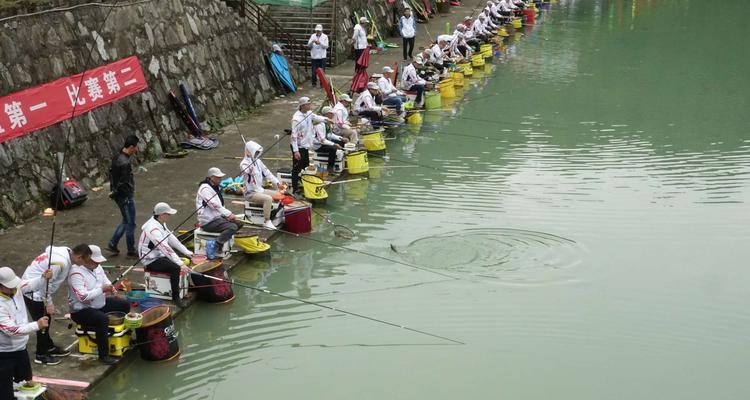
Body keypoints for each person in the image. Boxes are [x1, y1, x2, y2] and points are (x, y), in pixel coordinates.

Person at [21, 245, 92, 365]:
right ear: (79, 257)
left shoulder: (66, 251)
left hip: (36, 287)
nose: (84, 264)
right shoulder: (59, 263)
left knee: (47, 320)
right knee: (43, 323)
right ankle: (41, 354)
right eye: (85, 261)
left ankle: (49, 347)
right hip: (34, 291)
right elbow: (46, 285)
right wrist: (49, 303)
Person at [68, 245, 129, 365]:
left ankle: (121, 337)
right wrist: (102, 289)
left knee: (124, 305)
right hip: (81, 310)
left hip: (100, 304)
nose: (97, 264)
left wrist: (112, 289)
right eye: (95, 261)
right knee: (102, 319)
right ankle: (103, 354)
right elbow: (83, 297)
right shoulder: (75, 273)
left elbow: (105, 280)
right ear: (87, 259)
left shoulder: (97, 267)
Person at [0, 266, 51, 398]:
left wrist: (43, 277)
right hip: (4, 354)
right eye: (9, 286)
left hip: (21, 349)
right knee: (6, 394)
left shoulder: (15, 288)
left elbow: (30, 284)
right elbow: (12, 331)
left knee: (27, 385)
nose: (14, 288)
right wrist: (37, 325)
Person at [138, 203, 193, 308]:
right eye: (168, 214)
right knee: (175, 268)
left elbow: (172, 239)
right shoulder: (153, 228)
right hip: (150, 259)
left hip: (159, 254)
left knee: (180, 261)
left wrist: (188, 252)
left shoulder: (160, 222)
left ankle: (185, 286)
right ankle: (176, 298)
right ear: (162, 214)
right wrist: (180, 264)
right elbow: (165, 247)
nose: (170, 216)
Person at [196, 167, 241, 260]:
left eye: (220, 177)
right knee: (232, 227)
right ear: (211, 177)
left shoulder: (215, 187)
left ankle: (222, 243)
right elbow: (214, 205)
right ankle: (214, 244)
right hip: (208, 221)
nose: (220, 179)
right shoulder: (205, 189)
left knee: (239, 223)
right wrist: (229, 214)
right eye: (218, 177)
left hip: (217, 218)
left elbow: (221, 206)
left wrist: (226, 216)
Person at [242, 140, 286, 229]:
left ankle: (277, 216)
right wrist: (250, 164)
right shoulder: (244, 164)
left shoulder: (258, 161)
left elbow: (267, 172)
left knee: (279, 194)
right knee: (268, 199)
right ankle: (267, 221)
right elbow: (247, 171)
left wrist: (277, 183)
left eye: (258, 152)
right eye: (256, 152)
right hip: (251, 193)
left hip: (260, 190)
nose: (257, 154)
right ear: (250, 151)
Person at [107, 134, 139, 257]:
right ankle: (131, 249)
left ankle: (113, 243)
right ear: (131, 147)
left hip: (118, 195)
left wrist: (113, 192)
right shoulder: (125, 163)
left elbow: (112, 176)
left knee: (126, 221)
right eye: (135, 147)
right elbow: (123, 182)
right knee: (131, 223)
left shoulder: (116, 157)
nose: (137, 150)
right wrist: (123, 195)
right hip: (125, 197)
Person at [291, 97, 326, 194]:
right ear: (302, 105)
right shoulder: (296, 119)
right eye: (308, 104)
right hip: (299, 146)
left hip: (305, 145)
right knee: (296, 168)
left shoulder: (309, 113)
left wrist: (327, 119)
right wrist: (295, 151)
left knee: (305, 166)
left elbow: (316, 117)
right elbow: (293, 136)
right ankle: (295, 188)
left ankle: (302, 182)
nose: (310, 106)